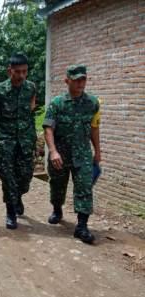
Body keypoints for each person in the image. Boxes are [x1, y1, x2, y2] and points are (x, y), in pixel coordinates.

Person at [43, 64, 101, 244]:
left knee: (84, 188)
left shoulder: (92, 103)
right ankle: (57, 209)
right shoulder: (57, 104)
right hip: (60, 154)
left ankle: (82, 227)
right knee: (58, 186)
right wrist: (53, 151)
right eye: (76, 80)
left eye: (83, 79)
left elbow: (94, 128)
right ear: (67, 80)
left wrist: (98, 151)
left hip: (83, 154)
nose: (80, 83)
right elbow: (48, 128)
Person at [0, 52, 37, 230]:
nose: (21, 75)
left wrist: (34, 141)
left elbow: (30, 114)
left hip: (26, 142)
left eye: (24, 71)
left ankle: (18, 196)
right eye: (18, 72)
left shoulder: (31, 88)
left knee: (25, 178)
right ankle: (11, 212)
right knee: (8, 178)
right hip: (5, 143)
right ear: (9, 71)